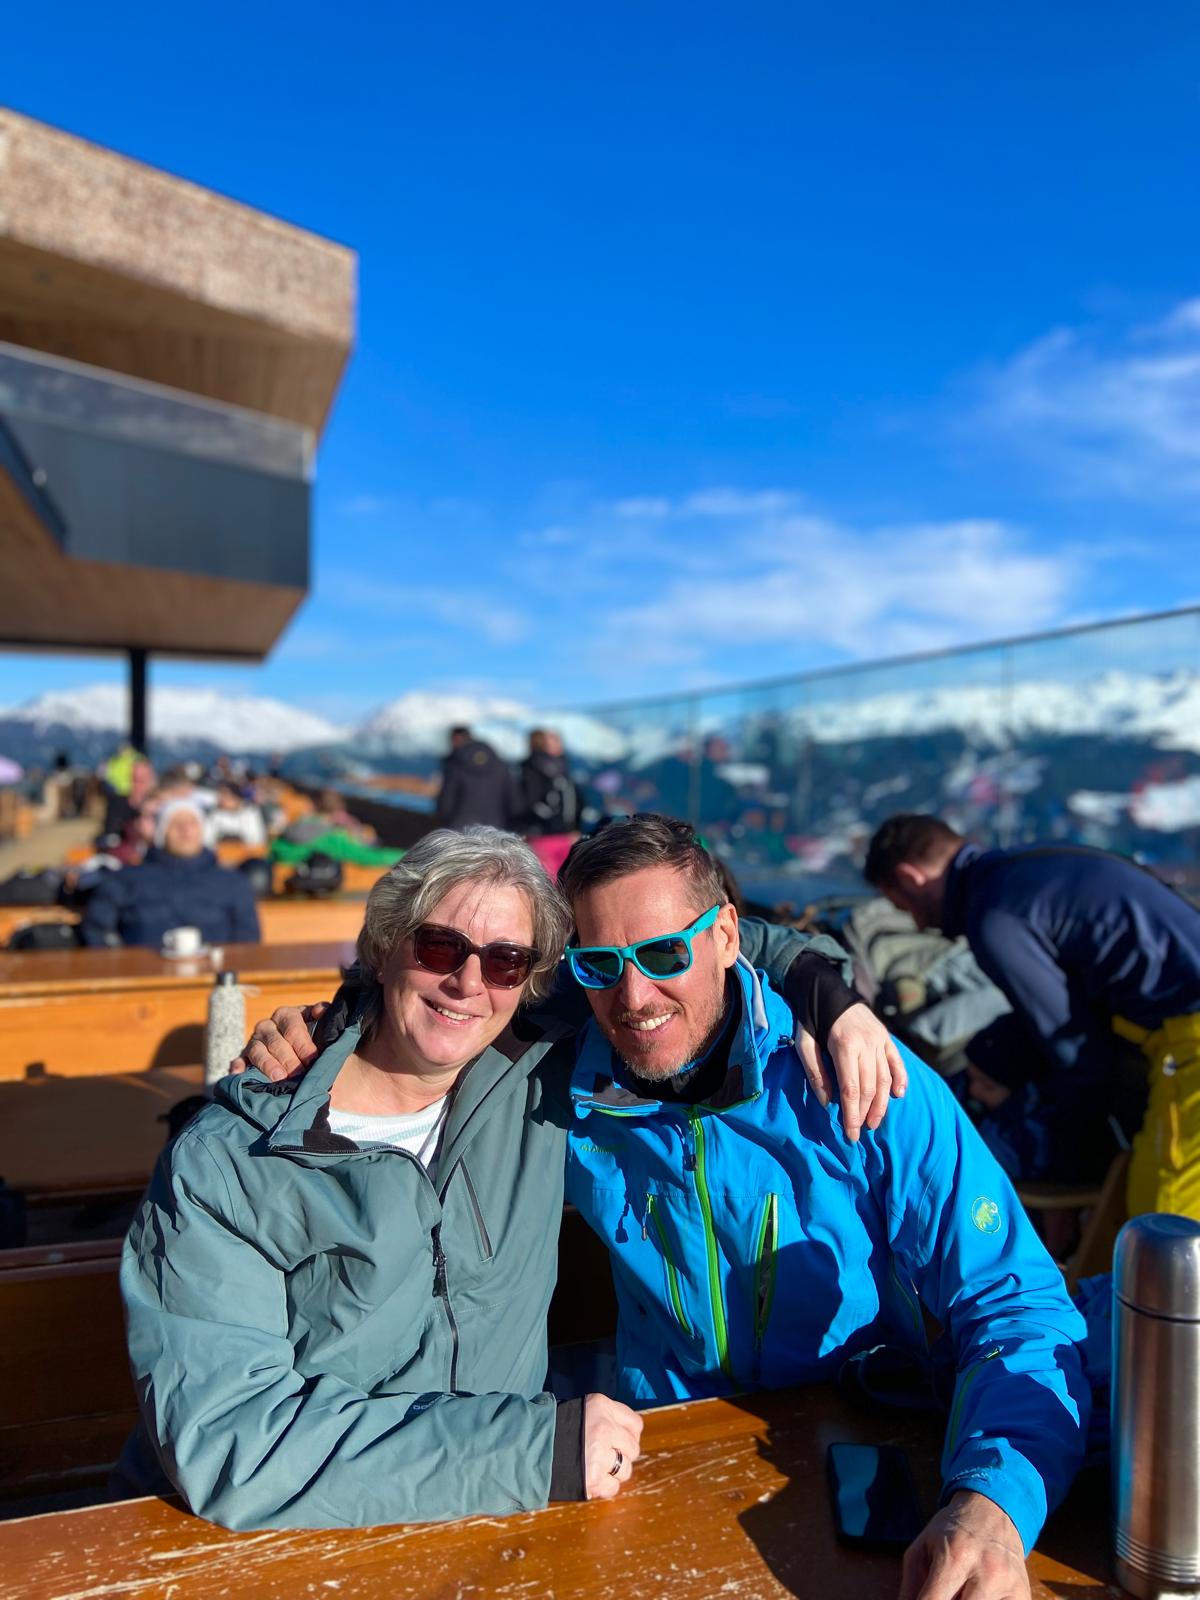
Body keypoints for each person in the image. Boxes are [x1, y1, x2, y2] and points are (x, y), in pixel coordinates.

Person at [241, 819, 1085, 1596]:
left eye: (665, 954)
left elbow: (1018, 1305)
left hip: (859, 1450)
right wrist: (334, 1030)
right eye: (601, 966)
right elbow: (442, 1001)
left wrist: (993, 1502)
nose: (635, 997)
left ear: (726, 936)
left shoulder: (858, 1081)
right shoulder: (559, 1081)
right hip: (650, 1457)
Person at [120, 825, 902, 1530]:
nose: (470, 983)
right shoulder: (230, 1161)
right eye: (438, 948)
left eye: (505, 961)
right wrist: (529, 1453)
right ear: (384, 945)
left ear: (532, 978)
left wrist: (826, 992)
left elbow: (681, 942)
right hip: (284, 1535)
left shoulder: (530, 1072)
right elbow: (231, 1441)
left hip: (501, 1519)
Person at [864, 813, 1200, 1208]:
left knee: (1164, 1220)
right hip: (1169, 1021)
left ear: (910, 877)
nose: (918, 925)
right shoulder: (1030, 866)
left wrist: (1065, 1164)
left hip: (1188, 1032)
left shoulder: (995, 918)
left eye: (902, 907)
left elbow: (1078, 1055)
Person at [80, 796, 261, 949]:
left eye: (192, 823)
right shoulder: (126, 880)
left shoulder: (232, 883)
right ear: (161, 832)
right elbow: (97, 930)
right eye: (176, 824)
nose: (186, 830)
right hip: (143, 975)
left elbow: (247, 942)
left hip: (214, 976)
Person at [435, 725, 513, 830]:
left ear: (454, 739)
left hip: (459, 829)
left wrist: (444, 820)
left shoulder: (455, 765)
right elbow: (513, 801)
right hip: (495, 830)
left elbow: (446, 802)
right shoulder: (500, 765)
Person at [518, 729, 581, 838]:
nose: (559, 745)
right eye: (553, 742)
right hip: (545, 832)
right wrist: (554, 823)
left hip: (566, 830)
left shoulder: (562, 766)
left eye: (558, 741)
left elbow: (572, 799)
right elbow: (533, 801)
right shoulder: (534, 768)